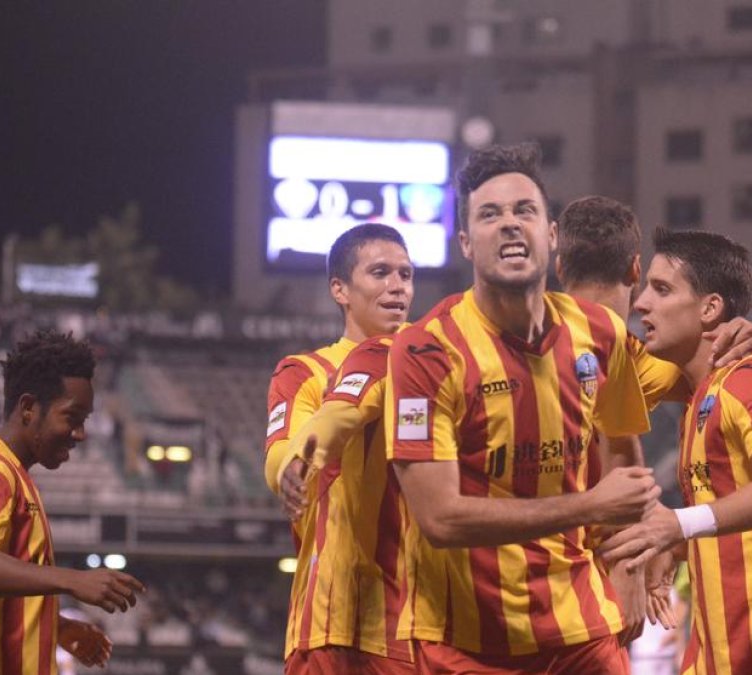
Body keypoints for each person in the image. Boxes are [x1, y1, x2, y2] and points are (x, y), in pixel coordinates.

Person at [385, 142, 660, 673]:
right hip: (464, 646)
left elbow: (624, 455)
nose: (510, 224)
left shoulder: (601, 332)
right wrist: (590, 507)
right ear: (466, 242)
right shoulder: (425, 351)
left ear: (551, 235)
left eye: (524, 211)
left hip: (582, 632)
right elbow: (440, 517)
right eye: (490, 214)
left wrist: (628, 566)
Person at [601, 229, 752, 675]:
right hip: (718, 654)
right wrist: (674, 547)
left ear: (710, 308)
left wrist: (678, 524)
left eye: (662, 288)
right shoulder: (698, 396)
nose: (641, 303)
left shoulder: (749, 381)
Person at [555, 195, 752, 644]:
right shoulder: (632, 360)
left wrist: (737, 336)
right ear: (635, 269)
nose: (645, 303)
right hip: (584, 575)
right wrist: (744, 335)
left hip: (509, 572)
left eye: (663, 289)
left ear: (558, 265)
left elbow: (712, 373)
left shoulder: (519, 339)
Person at [262, 223, 415, 673]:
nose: (397, 287)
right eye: (381, 272)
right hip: (336, 621)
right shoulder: (305, 371)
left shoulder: (434, 366)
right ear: (340, 289)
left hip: (424, 621)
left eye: (406, 275)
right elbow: (279, 453)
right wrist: (289, 471)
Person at [0, 329, 145, 674]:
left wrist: (56, 626)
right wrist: (72, 580)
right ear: (28, 408)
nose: (81, 434)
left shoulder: (18, 476)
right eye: (72, 417)